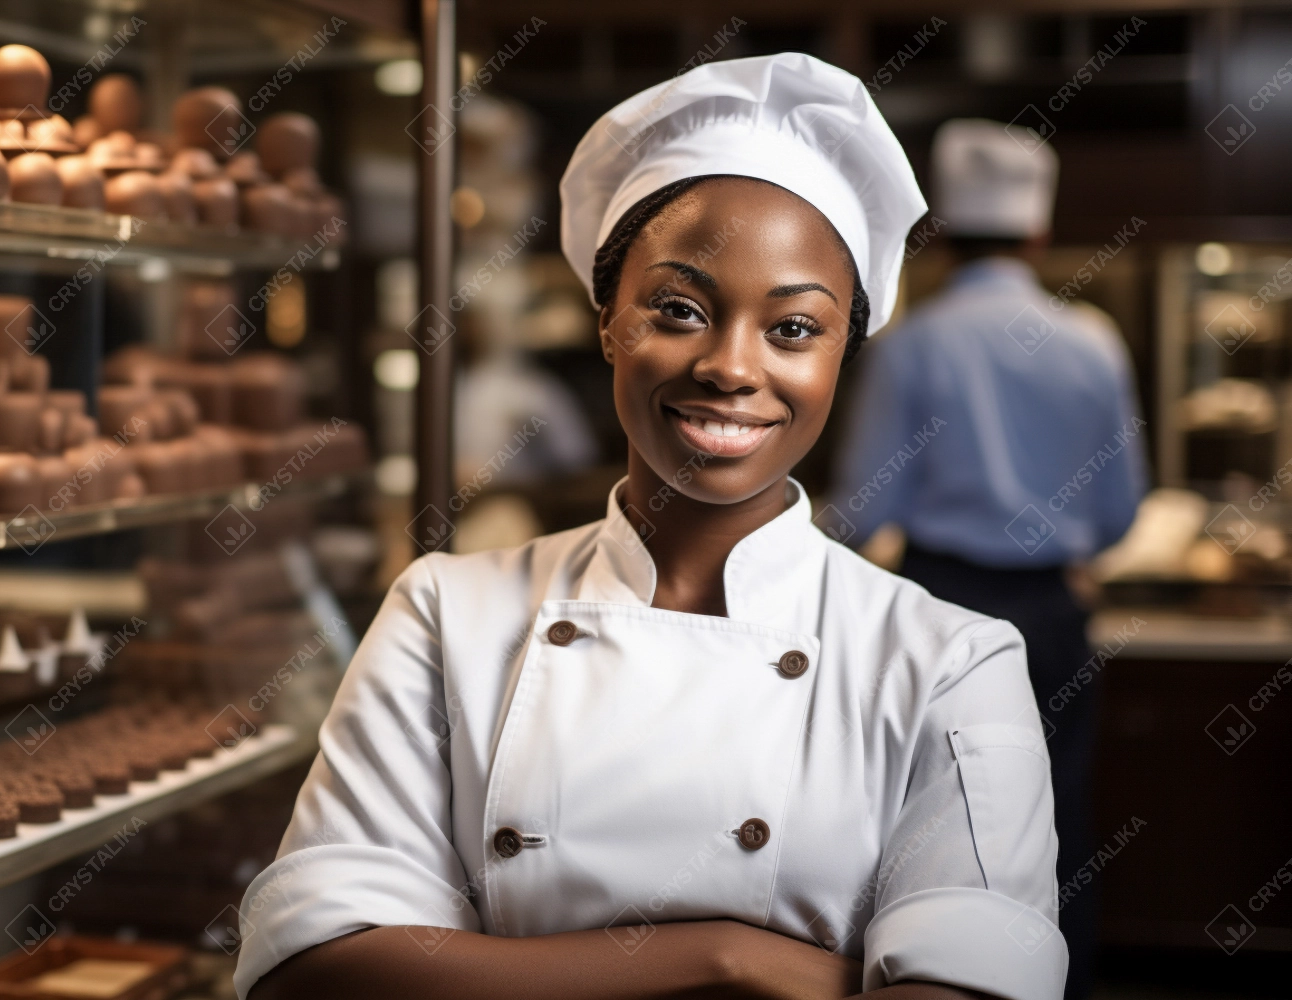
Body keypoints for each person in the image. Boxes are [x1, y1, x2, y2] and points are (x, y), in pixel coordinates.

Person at [238, 57, 1064, 1000]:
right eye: (678, 310)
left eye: (793, 328)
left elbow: (975, 986)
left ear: (844, 353)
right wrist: (728, 956)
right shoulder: (443, 611)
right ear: (605, 321)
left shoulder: (951, 660)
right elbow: (313, 964)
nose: (730, 365)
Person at [831, 119, 1148, 1000]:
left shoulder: (911, 344)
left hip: (939, 603)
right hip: (1052, 611)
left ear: (938, 236)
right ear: (1039, 234)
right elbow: (1122, 510)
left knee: (927, 833)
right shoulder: (1093, 341)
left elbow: (860, 512)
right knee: (1059, 828)